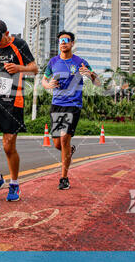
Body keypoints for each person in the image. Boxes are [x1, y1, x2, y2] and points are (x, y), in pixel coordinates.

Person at [0, 20, 38, 201]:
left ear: (7, 33)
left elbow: (34, 69)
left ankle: (14, 184)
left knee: (8, 146)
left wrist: (19, 68)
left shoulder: (19, 45)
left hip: (13, 101)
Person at [41, 31, 101, 190]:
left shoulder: (80, 62)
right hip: (57, 104)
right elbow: (44, 80)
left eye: (67, 40)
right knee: (57, 144)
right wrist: (48, 85)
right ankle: (70, 150)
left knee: (64, 139)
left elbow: (98, 83)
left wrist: (90, 74)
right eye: (61, 40)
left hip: (73, 105)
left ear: (72, 43)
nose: (63, 43)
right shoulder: (53, 62)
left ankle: (64, 178)